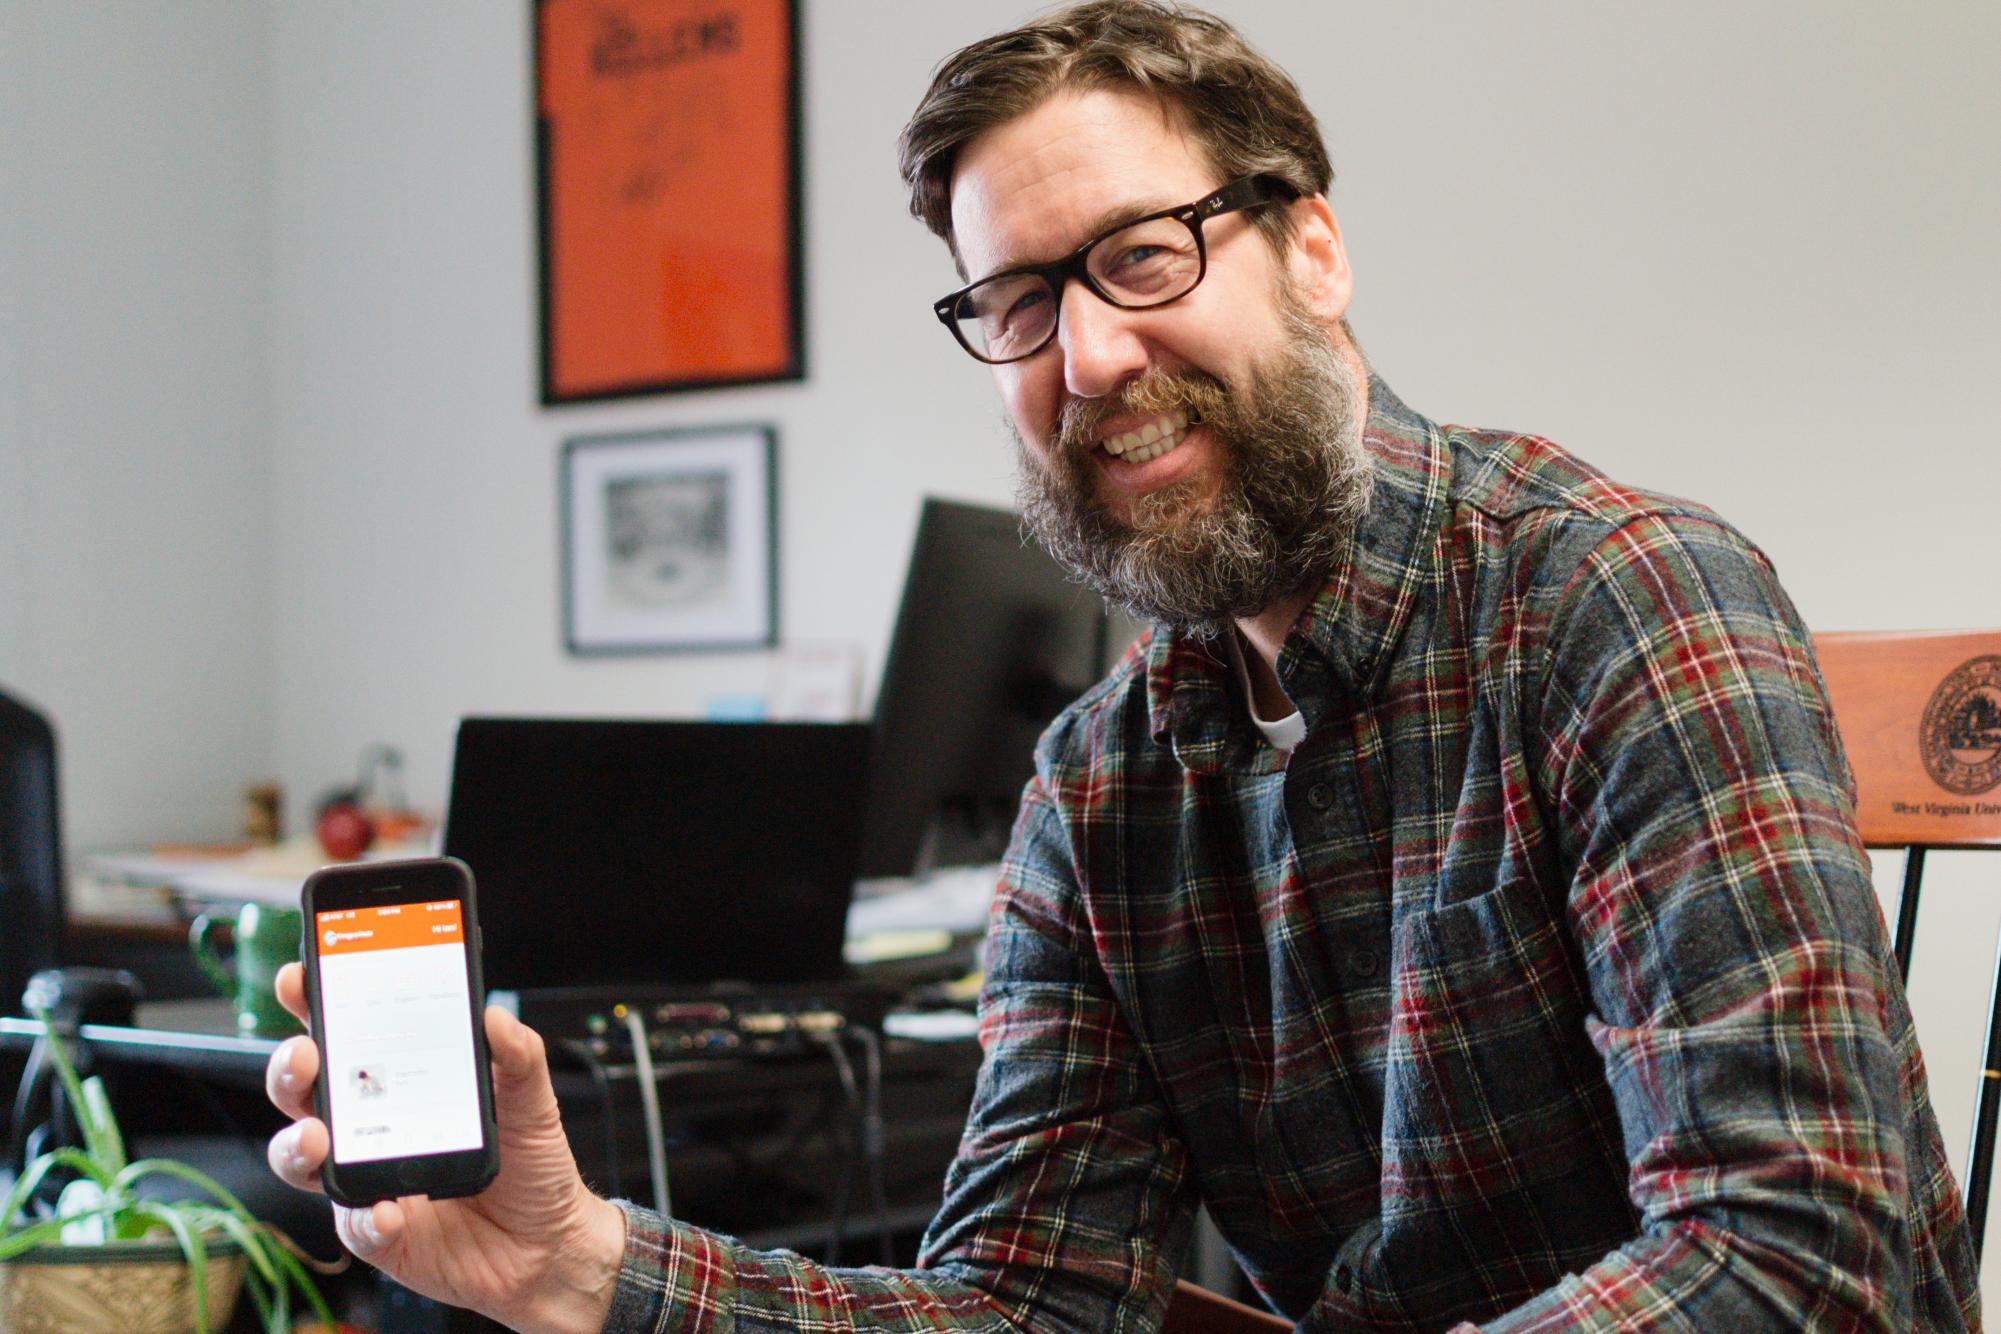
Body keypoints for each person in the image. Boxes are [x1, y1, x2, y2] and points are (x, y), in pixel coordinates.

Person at [264, 3, 1981, 1329]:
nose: (1086, 355)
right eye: (1012, 303)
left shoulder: (1617, 601)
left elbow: (1788, 1251)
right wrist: (575, 1258)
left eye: (1140, 257)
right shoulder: (1100, 785)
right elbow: (1022, 1303)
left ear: (1309, 246)